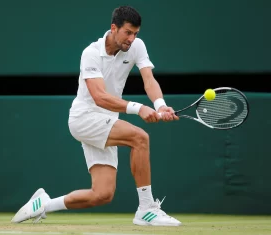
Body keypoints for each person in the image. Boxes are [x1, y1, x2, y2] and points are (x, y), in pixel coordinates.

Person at [11, 6, 181, 226]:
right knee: (140, 138)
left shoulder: (137, 47)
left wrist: (161, 105)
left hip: (107, 120)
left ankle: (44, 204)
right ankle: (146, 209)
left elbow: (149, 79)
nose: (132, 38)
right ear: (113, 28)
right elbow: (100, 97)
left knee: (102, 194)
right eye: (128, 32)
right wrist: (139, 108)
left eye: (136, 33)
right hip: (85, 118)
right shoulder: (90, 53)